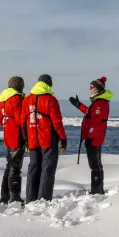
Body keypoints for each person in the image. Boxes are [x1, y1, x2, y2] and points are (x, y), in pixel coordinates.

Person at [22, 74, 68, 203]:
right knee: (47, 169)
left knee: (33, 168)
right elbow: (57, 121)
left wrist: (26, 140)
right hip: (47, 140)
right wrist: (63, 138)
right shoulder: (50, 100)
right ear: (49, 84)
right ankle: (44, 199)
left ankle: (30, 199)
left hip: (32, 140)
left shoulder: (27, 100)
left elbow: (23, 122)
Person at [69, 76, 113, 195]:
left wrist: (89, 135)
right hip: (93, 137)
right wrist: (79, 105)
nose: (90, 89)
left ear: (98, 89)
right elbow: (90, 113)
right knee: (94, 163)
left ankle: (97, 190)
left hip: (94, 138)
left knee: (95, 164)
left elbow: (96, 122)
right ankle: (96, 189)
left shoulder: (100, 103)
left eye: (92, 87)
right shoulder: (98, 102)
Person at [0, 76, 26, 205]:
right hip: (16, 135)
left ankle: (4, 196)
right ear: (19, 85)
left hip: (8, 135)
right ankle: (15, 196)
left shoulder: (3, 98)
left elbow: (0, 120)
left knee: (9, 166)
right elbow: (20, 119)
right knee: (15, 167)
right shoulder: (16, 98)